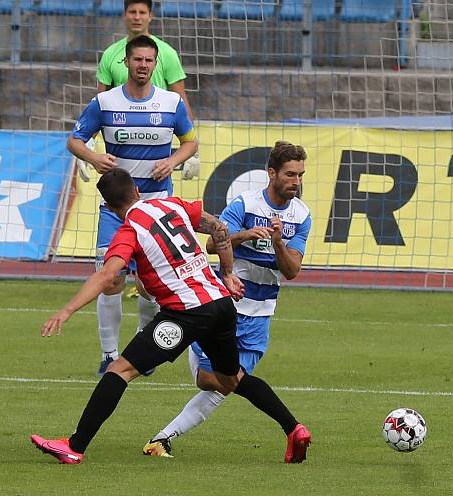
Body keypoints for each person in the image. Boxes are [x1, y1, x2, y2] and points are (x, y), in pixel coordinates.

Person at [30, 169, 310, 465]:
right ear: (137, 190)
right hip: (221, 304)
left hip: (186, 313)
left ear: (110, 208)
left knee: (120, 370)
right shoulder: (172, 204)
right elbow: (218, 227)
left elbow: (107, 275)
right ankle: (294, 429)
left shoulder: (128, 231)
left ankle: (74, 446)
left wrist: (67, 310)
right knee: (230, 379)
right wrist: (227, 273)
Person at [143, 140, 313, 463]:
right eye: (290, 175)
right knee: (218, 380)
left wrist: (278, 242)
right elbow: (212, 244)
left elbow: (291, 271)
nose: (296, 182)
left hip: (258, 316)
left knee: (220, 382)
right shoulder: (244, 205)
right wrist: (245, 235)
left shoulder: (301, 216)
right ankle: (292, 428)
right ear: (272, 173)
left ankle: (162, 438)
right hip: (227, 305)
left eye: (301, 175)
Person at [68, 35, 198, 376]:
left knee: (151, 283)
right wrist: (94, 157)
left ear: (156, 65)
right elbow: (74, 140)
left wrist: (173, 161)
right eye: (137, 60)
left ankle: (143, 344)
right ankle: (109, 354)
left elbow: (190, 141)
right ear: (126, 62)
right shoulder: (105, 102)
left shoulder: (171, 102)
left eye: (149, 61)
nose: (143, 66)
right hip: (117, 208)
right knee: (110, 279)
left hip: (158, 205)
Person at [81, 0, 200, 183]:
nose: (137, 17)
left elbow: (181, 98)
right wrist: (88, 146)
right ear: (124, 15)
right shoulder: (110, 54)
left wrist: (193, 153)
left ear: (150, 16)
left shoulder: (166, 53)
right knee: (119, 194)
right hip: (122, 143)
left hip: (154, 140)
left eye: (142, 12)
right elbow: (100, 103)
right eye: (132, 12)